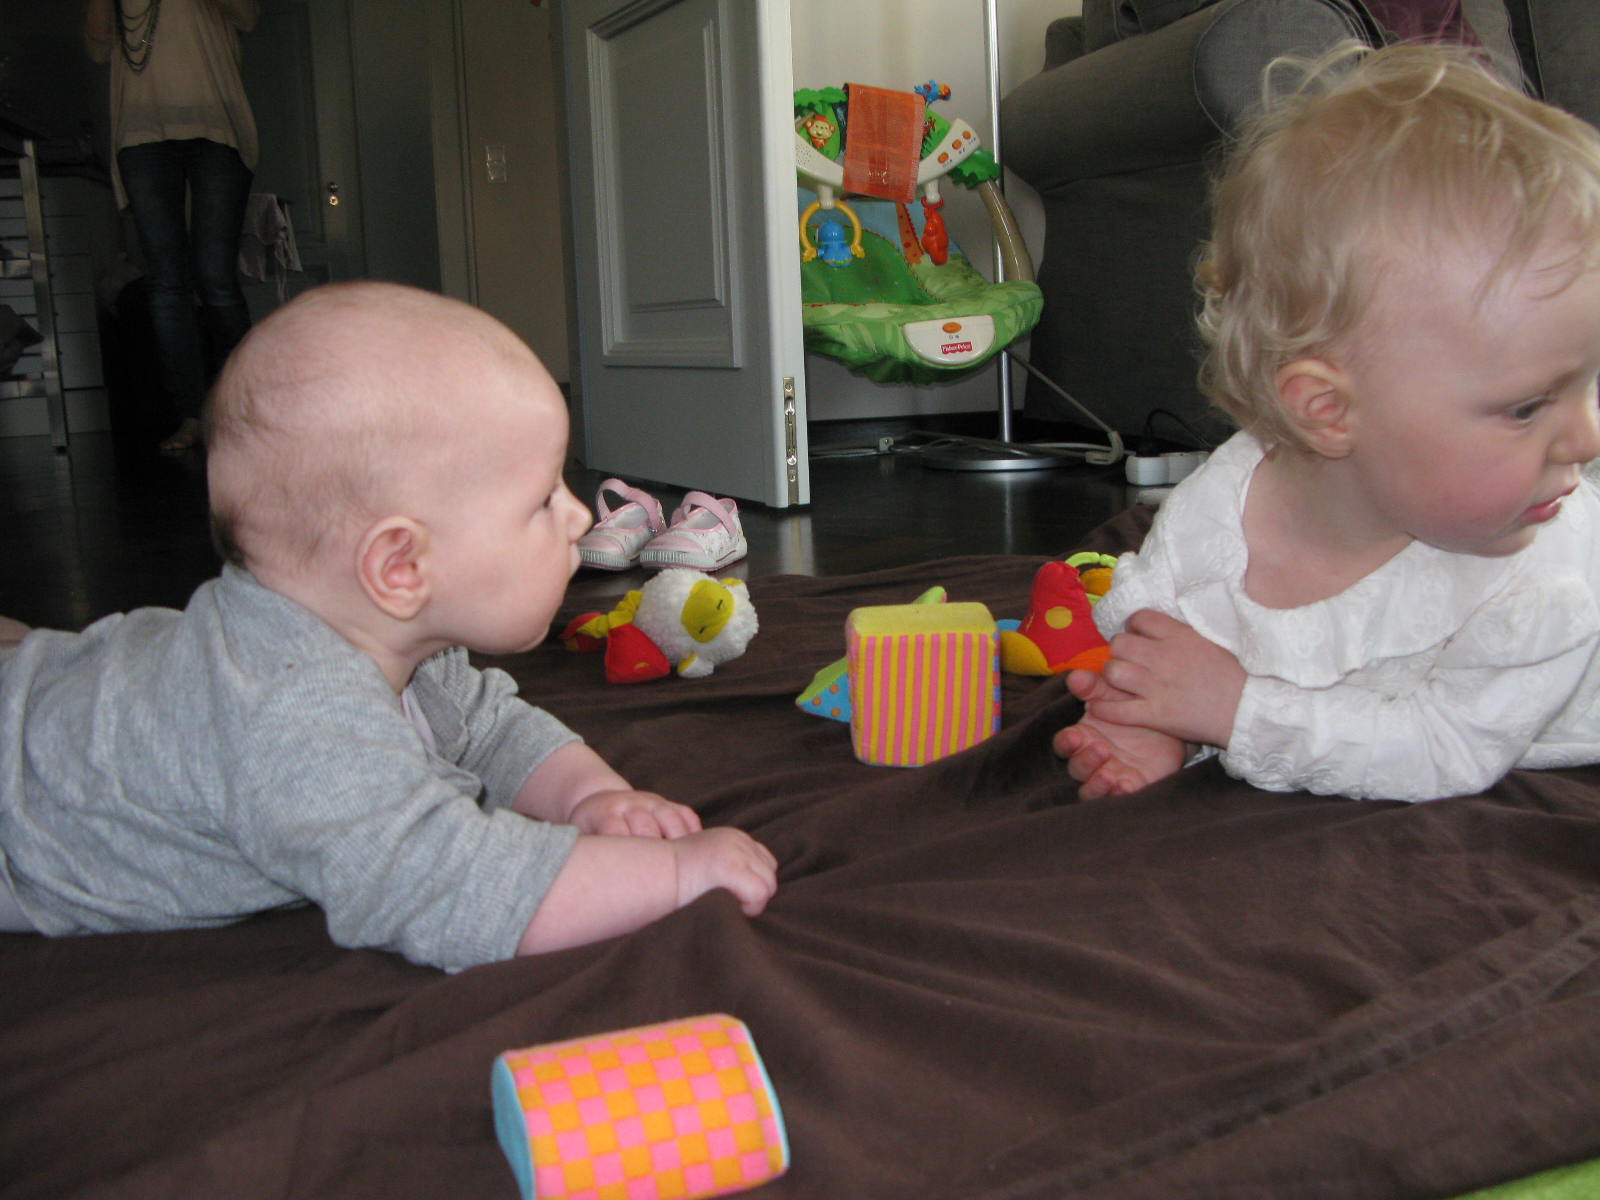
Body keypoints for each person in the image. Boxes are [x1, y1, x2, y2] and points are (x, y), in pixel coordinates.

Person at [0, 282, 778, 970]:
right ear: (400, 567)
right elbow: (452, 889)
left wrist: (590, 797)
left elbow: (489, 727)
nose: (578, 516)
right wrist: (676, 875)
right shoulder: (299, 725)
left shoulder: (395, 643)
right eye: (542, 499)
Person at [1055, 42, 1600, 804]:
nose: (1588, 438)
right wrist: (1149, 719)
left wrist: (1239, 713)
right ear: (1329, 410)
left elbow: (1444, 748)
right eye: (1527, 407)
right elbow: (1159, 640)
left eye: (1590, 384)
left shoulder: (1545, 578)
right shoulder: (1222, 509)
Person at [85, 0, 260, 456]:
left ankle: (248, 411)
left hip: (216, 123)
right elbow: (98, 44)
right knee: (166, 283)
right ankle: (193, 414)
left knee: (216, 278)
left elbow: (247, 16)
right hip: (141, 132)